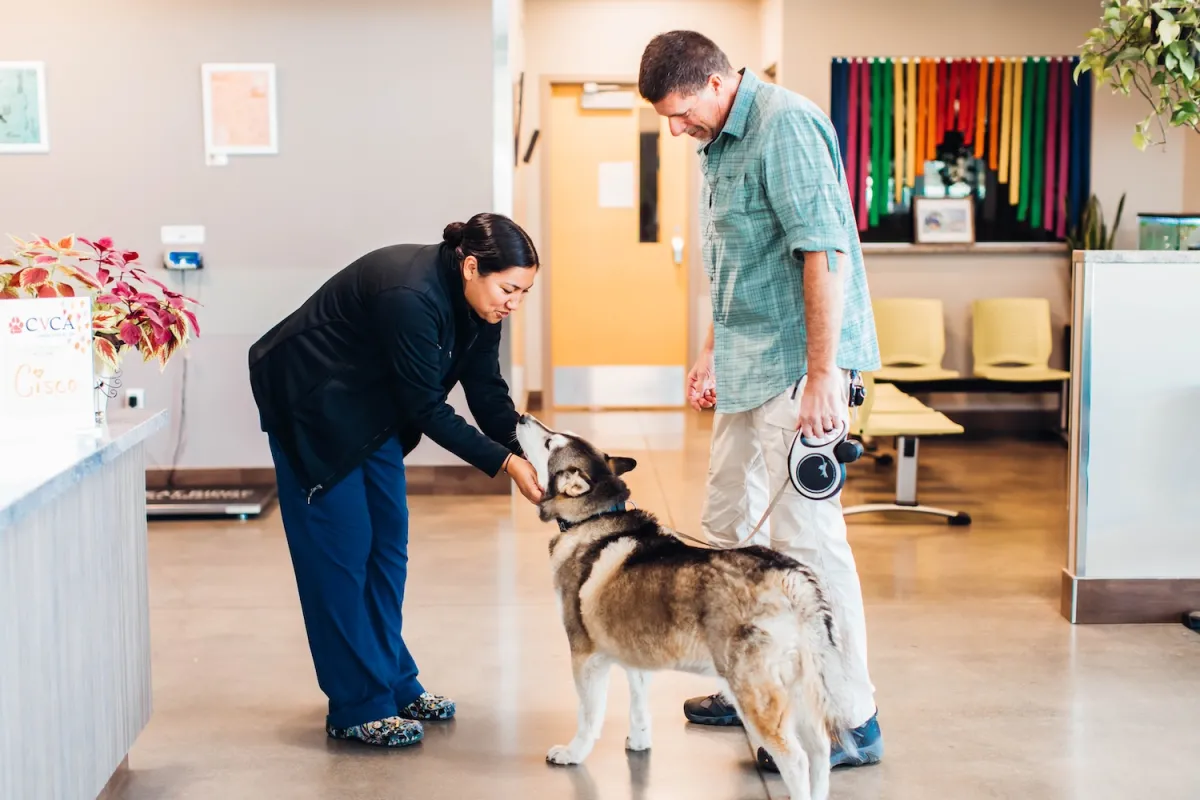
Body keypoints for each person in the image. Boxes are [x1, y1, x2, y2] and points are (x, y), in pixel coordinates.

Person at [638, 32, 885, 770]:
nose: (676, 130)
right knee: (727, 531)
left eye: (682, 113)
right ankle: (744, 678)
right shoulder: (716, 143)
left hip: (794, 371)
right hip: (746, 366)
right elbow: (736, 259)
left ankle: (853, 720)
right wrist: (713, 349)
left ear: (716, 83)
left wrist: (821, 375)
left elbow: (822, 253)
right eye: (667, 119)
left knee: (809, 545)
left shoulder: (788, 126)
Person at [247, 212, 544, 748]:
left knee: (387, 546)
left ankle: (393, 681)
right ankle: (357, 705)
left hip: (371, 411)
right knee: (340, 554)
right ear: (472, 266)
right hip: (312, 406)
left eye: (524, 292)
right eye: (509, 288)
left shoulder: (482, 303)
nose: (513, 303)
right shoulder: (410, 293)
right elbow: (428, 407)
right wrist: (505, 465)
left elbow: (486, 392)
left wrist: (534, 451)